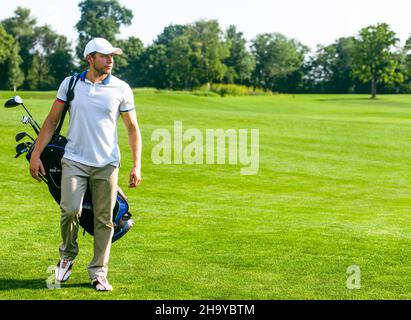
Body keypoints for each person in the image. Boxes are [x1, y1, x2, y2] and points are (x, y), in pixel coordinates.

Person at [29, 38, 142, 291]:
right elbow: (50, 122)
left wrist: (137, 165)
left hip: (107, 164)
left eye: (112, 56)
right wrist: (36, 154)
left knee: (104, 219)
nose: (110, 60)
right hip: (74, 160)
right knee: (69, 209)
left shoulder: (122, 88)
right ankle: (67, 258)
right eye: (104, 56)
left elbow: (132, 129)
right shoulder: (70, 84)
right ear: (90, 58)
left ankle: (99, 272)